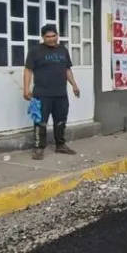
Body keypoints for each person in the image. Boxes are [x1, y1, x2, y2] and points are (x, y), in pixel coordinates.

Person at [23, 24, 81, 160]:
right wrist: (26, 88)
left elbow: (67, 69)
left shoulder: (63, 50)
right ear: (43, 37)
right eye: (47, 36)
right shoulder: (35, 51)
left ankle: (60, 145)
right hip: (41, 94)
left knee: (60, 121)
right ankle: (38, 148)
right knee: (40, 122)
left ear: (57, 36)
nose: (51, 39)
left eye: (53, 36)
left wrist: (74, 85)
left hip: (60, 94)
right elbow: (28, 70)